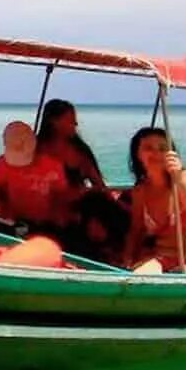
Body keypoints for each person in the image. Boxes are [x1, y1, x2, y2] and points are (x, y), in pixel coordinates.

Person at [122, 126, 186, 273]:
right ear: (138, 154)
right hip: (163, 259)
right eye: (148, 148)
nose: (156, 153)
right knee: (139, 278)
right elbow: (136, 230)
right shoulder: (140, 190)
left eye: (163, 148)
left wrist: (176, 176)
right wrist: (128, 258)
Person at [37, 99, 128, 261]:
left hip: (77, 205)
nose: (76, 124)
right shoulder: (36, 148)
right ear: (53, 121)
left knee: (99, 202)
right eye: (71, 120)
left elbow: (98, 184)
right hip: (47, 205)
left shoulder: (79, 150)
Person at [0, 121, 73, 235]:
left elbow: (61, 199)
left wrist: (51, 223)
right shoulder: (2, 163)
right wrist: (6, 213)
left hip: (47, 223)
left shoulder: (53, 166)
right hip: (15, 221)